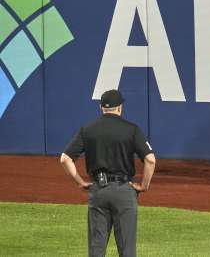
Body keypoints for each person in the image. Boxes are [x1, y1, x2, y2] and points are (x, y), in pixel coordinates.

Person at [60, 89, 156, 257]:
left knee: (96, 251)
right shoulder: (131, 129)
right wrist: (144, 186)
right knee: (127, 251)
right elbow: (150, 160)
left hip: (98, 190)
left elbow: (65, 159)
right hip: (124, 191)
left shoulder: (88, 129)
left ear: (101, 108)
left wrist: (80, 182)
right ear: (120, 108)